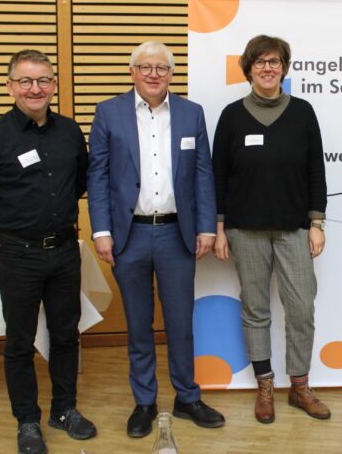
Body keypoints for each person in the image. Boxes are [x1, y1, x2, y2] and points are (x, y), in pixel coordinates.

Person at [0, 49, 95, 454]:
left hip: (65, 251)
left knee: (66, 335)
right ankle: (27, 422)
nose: (35, 89)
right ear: (10, 86)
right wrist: (6, 227)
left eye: (43, 81)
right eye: (25, 81)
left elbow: (80, 183)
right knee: (19, 343)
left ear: (54, 84)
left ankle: (64, 410)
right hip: (17, 255)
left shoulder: (70, 131)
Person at [87, 41, 224, 437]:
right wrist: (101, 230)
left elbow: (202, 174)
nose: (153, 74)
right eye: (145, 67)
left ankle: (187, 396)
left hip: (176, 234)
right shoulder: (108, 112)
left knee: (181, 323)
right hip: (127, 236)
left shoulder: (190, 113)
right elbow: (97, 176)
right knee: (138, 324)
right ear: (132, 72)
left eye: (161, 68)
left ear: (171, 73)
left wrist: (204, 228)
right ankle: (144, 401)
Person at [212, 35, 329, 424]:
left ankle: (299, 386)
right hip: (245, 230)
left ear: (284, 67)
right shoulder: (231, 116)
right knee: (256, 308)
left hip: (294, 228)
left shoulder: (303, 112)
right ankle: (265, 386)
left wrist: (316, 223)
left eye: (274, 61)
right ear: (248, 69)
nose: (267, 68)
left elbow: (316, 170)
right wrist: (220, 227)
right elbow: (219, 176)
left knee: (301, 309)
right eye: (259, 61)